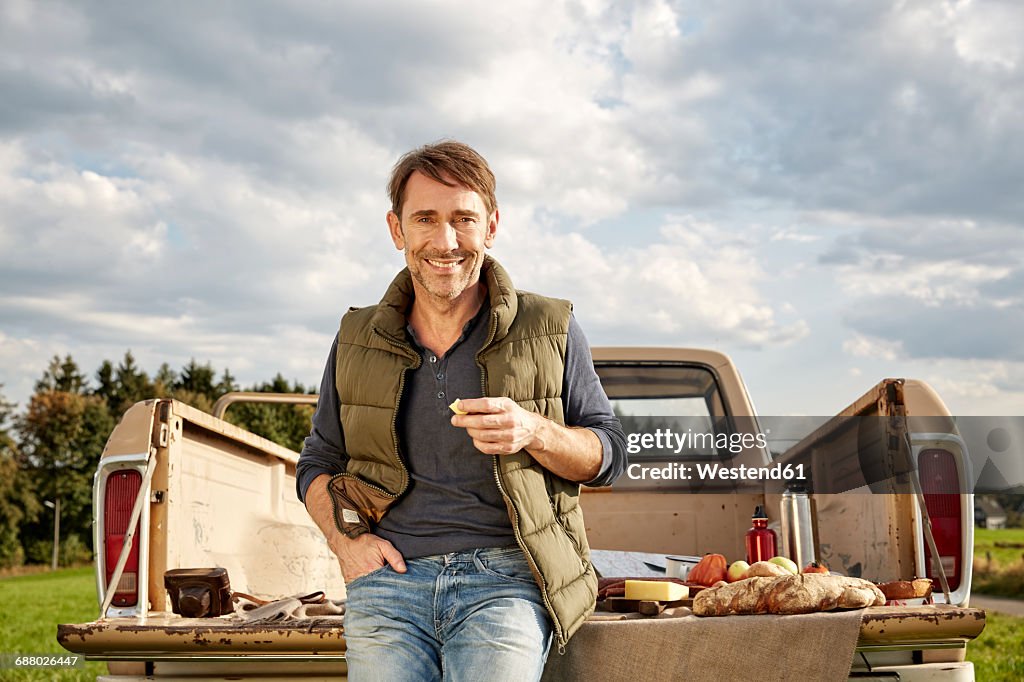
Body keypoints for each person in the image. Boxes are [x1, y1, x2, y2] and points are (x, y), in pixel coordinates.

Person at [297, 140, 627, 681]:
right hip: (387, 582)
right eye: (424, 218)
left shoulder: (550, 326)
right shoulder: (356, 337)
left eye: (463, 219)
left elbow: (609, 453)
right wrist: (345, 543)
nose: (445, 240)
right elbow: (318, 462)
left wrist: (534, 431)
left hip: (506, 581)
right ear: (396, 229)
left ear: (491, 226)